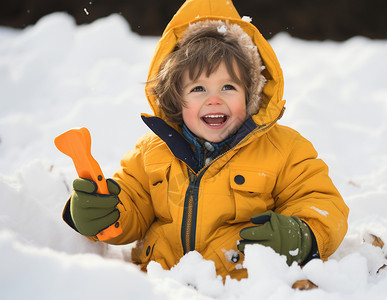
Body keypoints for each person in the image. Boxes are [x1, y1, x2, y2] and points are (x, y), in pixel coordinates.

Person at [62, 0, 349, 280]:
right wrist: (102, 213)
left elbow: (321, 203)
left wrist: (300, 234)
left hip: (242, 287)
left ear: (250, 94)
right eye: (198, 88)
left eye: (228, 86)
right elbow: (132, 203)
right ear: (175, 98)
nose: (214, 99)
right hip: (163, 286)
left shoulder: (284, 150)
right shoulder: (151, 152)